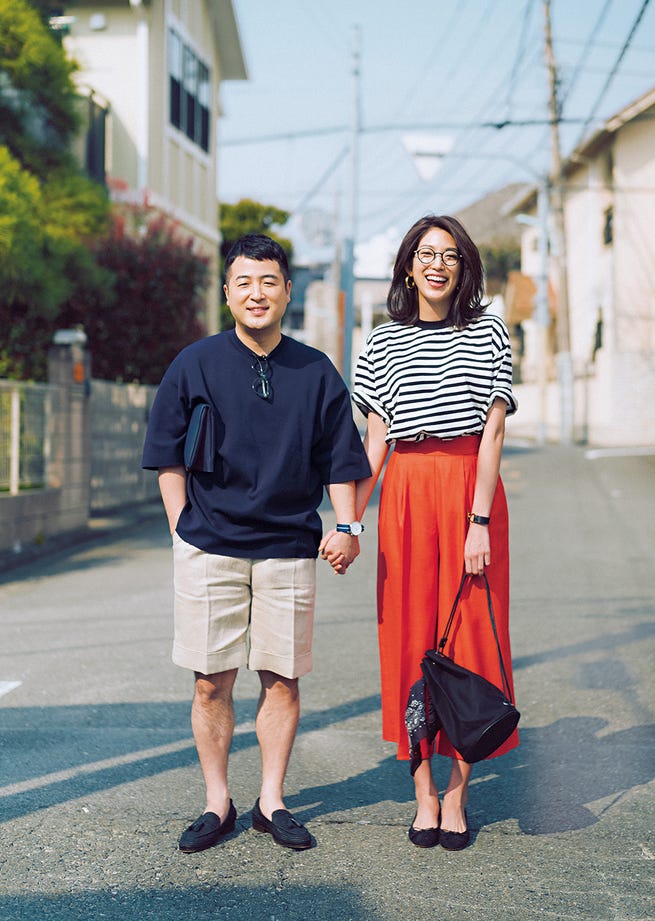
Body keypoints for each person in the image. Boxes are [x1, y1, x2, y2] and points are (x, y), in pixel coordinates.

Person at [142, 233, 370, 853]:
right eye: (243, 282)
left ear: (287, 290)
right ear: (227, 292)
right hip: (208, 545)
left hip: (289, 546)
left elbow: (342, 460)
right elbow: (166, 454)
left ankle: (272, 802)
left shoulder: (314, 370)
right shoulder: (195, 363)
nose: (256, 293)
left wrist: (348, 527)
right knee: (210, 681)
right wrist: (179, 526)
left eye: (268, 281)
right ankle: (218, 803)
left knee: (282, 680)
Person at [343, 214, 519, 850]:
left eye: (449, 254)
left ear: (463, 266)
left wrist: (478, 520)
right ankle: (422, 793)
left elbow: (494, 429)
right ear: (408, 266)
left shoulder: (490, 329)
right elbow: (376, 439)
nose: (437, 264)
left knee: (472, 636)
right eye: (426, 253)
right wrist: (348, 519)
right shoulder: (382, 341)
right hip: (407, 497)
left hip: (470, 488)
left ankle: (458, 793)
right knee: (412, 640)